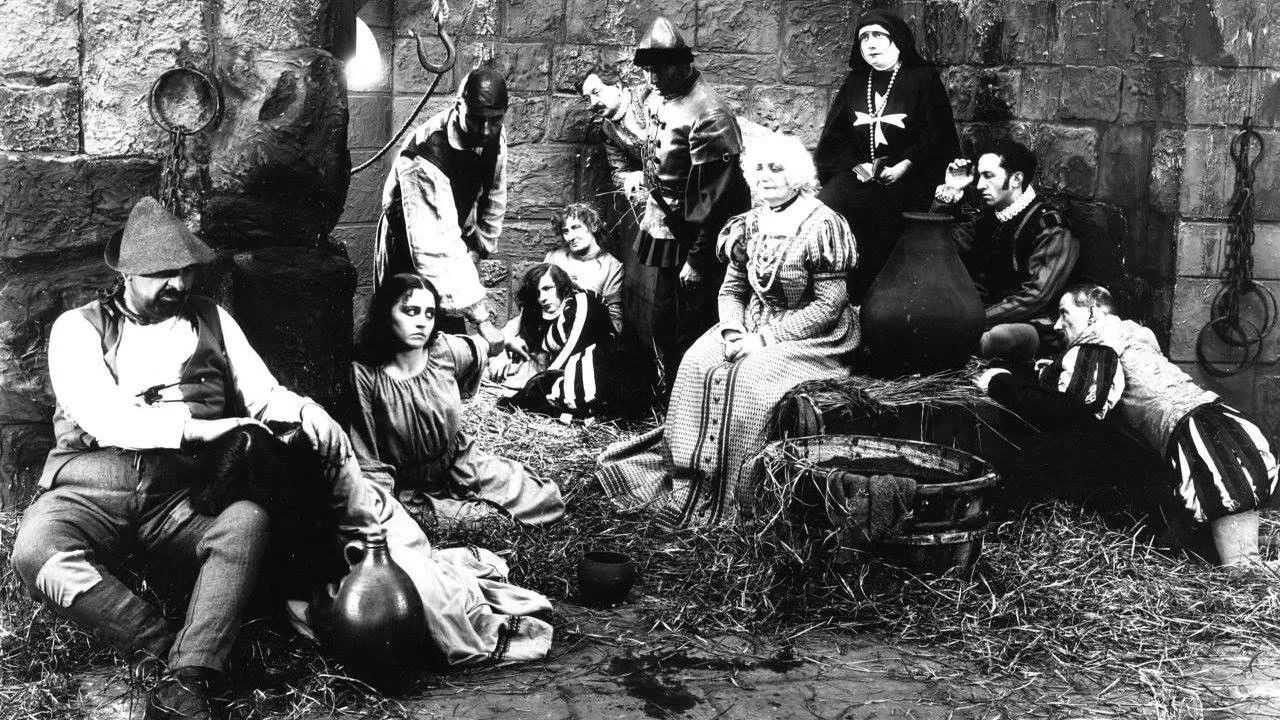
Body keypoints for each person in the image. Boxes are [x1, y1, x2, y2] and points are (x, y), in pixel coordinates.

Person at [9, 197, 353, 719]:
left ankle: (190, 677)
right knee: (36, 552)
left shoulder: (212, 319)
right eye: (162, 275)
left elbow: (263, 395)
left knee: (246, 522)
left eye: (186, 272)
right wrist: (203, 428)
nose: (178, 285)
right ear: (126, 274)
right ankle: (164, 649)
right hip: (88, 488)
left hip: (179, 494)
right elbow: (106, 418)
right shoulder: (77, 328)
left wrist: (307, 410)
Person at [598, 134, 860, 526]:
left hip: (813, 333)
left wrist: (765, 340)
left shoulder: (823, 225)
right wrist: (733, 331)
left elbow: (828, 306)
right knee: (694, 363)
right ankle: (689, 478)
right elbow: (732, 290)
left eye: (776, 169)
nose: (765, 177)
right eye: (759, 168)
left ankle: (738, 496)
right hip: (751, 321)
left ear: (797, 177)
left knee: (748, 380)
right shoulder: (749, 224)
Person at [976, 284, 1278, 568]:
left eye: (1064, 313)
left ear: (1093, 309)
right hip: (1215, 426)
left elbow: (1074, 407)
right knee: (1229, 558)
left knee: (1241, 569)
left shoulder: (1099, 341)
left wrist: (999, 383)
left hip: (1201, 437)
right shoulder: (1131, 334)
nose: (1057, 325)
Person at [349, 272, 564, 529]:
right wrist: (383, 511)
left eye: (429, 314)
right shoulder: (365, 375)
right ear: (386, 313)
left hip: (460, 463)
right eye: (411, 311)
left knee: (544, 501)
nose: (422, 323)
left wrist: (508, 342)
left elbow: (485, 345)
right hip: (411, 488)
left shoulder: (443, 350)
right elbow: (368, 459)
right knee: (487, 522)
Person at [631, 17, 752, 388]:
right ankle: (670, 397)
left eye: (660, 70)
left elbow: (720, 198)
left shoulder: (710, 114)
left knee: (692, 327)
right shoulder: (663, 95)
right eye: (648, 70)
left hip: (698, 233)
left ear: (682, 65)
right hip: (669, 222)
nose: (652, 78)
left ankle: (690, 401)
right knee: (664, 319)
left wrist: (698, 260)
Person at [814, 9, 958, 304]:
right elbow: (835, 137)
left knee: (886, 222)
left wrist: (905, 164)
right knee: (824, 208)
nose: (870, 43)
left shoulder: (922, 78)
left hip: (909, 177)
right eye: (864, 37)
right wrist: (858, 165)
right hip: (860, 175)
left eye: (878, 35)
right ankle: (830, 294)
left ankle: (877, 303)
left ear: (897, 40)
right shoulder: (856, 81)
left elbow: (936, 134)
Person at [374, 68, 510, 350]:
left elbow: (495, 191)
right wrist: (482, 320)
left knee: (447, 347)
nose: (486, 130)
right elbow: (435, 247)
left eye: (495, 120)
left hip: (447, 236)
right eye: (477, 120)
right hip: (411, 245)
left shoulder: (491, 133)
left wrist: (480, 247)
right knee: (406, 337)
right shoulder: (424, 157)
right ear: (459, 106)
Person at [933, 139, 1079, 361]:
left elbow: (1036, 296)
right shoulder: (986, 219)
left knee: (999, 338)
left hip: (1033, 322)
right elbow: (937, 251)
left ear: (1016, 179)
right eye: (979, 176)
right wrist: (949, 193)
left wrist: (974, 320)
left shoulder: (1049, 226)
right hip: (983, 315)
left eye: (988, 176)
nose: (979, 185)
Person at [489, 264, 623, 418]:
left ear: (562, 286)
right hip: (565, 372)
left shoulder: (583, 301)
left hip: (599, 369)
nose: (542, 298)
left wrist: (521, 399)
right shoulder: (540, 311)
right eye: (537, 293)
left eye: (547, 288)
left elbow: (569, 353)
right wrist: (503, 355)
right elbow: (517, 333)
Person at [543, 202, 624, 334]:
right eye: (565, 231)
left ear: (593, 226)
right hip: (548, 329)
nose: (570, 237)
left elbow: (614, 318)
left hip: (586, 334)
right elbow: (533, 299)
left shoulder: (611, 265)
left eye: (576, 227)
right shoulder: (554, 257)